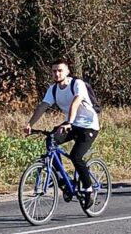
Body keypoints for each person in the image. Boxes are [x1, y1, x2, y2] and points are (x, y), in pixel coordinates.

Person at [24, 58, 100, 208]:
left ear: (67, 72)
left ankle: (88, 188)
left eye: (60, 70)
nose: (57, 74)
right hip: (70, 124)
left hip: (88, 126)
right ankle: (64, 182)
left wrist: (69, 122)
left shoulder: (77, 84)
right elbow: (43, 106)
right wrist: (29, 124)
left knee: (76, 156)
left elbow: (76, 102)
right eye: (54, 71)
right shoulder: (53, 89)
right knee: (50, 140)